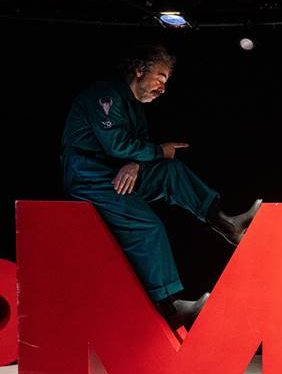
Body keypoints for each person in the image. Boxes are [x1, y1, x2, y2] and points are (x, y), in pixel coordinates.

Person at [61, 43, 260, 330]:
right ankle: (169, 306)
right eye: (160, 78)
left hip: (115, 170)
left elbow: (135, 148)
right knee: (148, 226)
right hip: (88, 176)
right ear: (140, 70)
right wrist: (156, 152)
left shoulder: (136, 108)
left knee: (171, 171)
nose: (162, 88)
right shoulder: (105, 96)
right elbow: (117, 145)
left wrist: (137, 163)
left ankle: (227, 224)